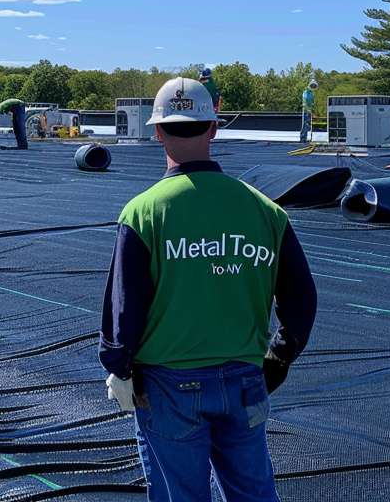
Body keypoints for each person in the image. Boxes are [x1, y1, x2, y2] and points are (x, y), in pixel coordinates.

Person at [99, 77, 317, 501]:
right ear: (213, 128)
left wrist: (118, 364)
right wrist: (280, 354)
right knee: (253, 494)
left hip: (168, 384)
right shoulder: (264, 209)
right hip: (244, 379)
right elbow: (301, 297)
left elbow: (124, 304)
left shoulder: (144, 212)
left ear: (156, 130)